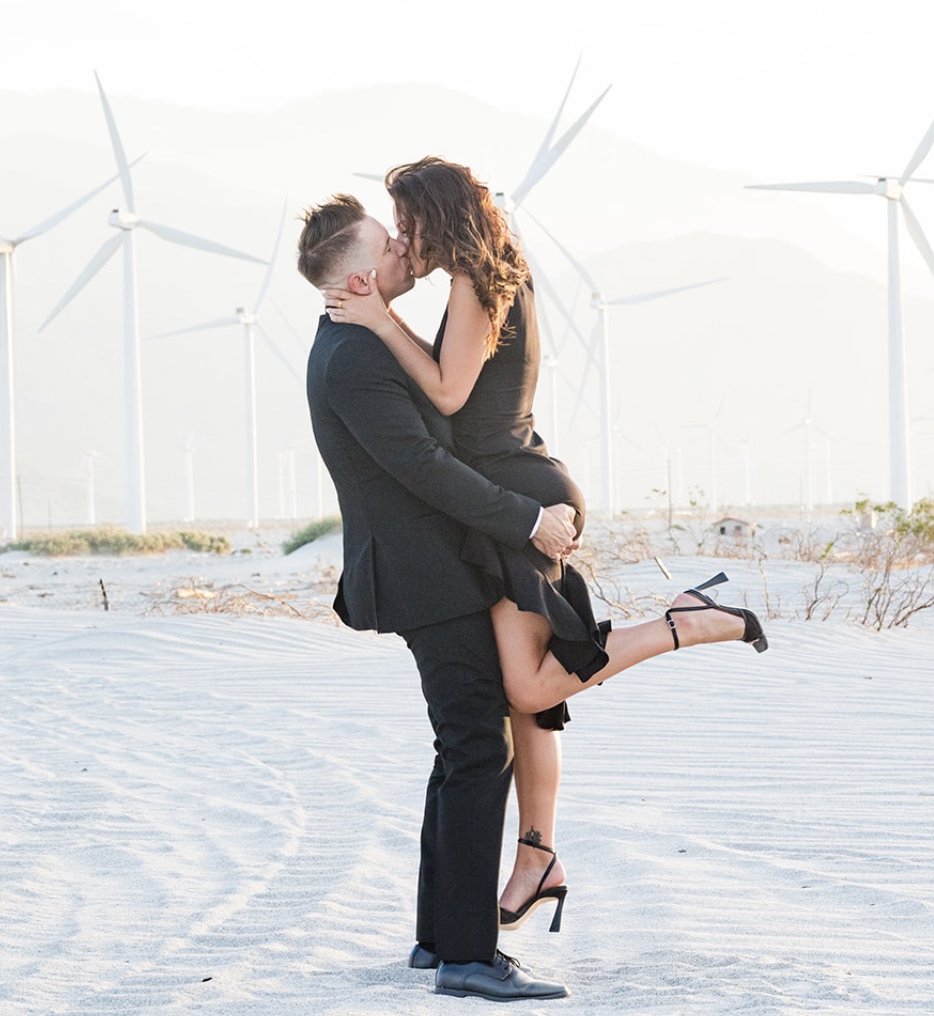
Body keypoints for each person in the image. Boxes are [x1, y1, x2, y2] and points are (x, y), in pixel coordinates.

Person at [322, 157, 767, 937]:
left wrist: (381, 322)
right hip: (506, 494)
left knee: (528, 689)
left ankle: (687, 622)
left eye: (406, 222)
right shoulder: (489, 271)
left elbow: (448, 393)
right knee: (521, 687)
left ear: (437, 218)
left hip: (519, 497)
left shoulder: (474, 280)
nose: (401, 238)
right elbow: (452, 384)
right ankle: (537, 858)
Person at [298, 193, 573, 1002]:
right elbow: (424, 467)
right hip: (425, 576)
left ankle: (438, 939)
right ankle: (469, 958)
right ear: (357, 279)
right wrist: (528, 519)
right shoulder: (352, 357)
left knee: (463, 747)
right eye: (388, 246)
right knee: (479, 748)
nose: (403, 249)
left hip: (430, 569)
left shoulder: (360, 339)